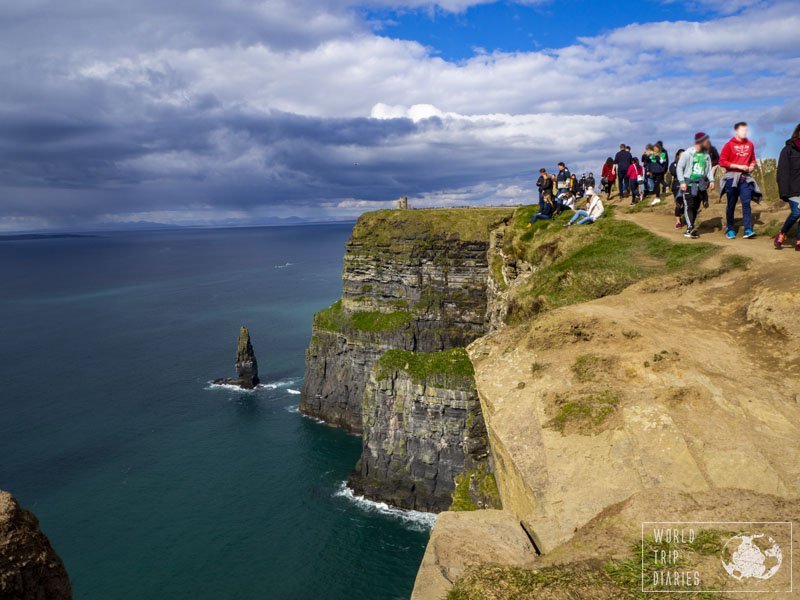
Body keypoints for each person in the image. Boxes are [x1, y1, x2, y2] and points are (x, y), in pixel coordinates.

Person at [719, 122, 758, 239]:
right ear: (736, 131)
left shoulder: (750, 144)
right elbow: (722, 161)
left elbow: (753, 159)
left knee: (746, 203)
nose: (745, 132)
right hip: (731, 178)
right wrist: (739, 166)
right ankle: (730, 228)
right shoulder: (729, 145)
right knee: (731, 204)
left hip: (745, 178)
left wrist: (751, 166)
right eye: (742, 130)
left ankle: (748, 229)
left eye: (746, 130)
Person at [677, 132, 715, 238]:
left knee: (696, 207)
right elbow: (679, 167)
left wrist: (711, 181)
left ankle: (691, 228)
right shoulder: (688, 153)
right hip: (688, 183)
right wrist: (682, 182)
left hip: (701, 184)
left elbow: (708, 169)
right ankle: (690, 228)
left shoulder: (706, 155)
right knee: (689, 205)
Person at [775, 123, 800, 250]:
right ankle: (782, 232)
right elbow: (782, 173)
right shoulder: (787, 150)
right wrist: (783, 192)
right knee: (796, 213)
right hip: (793, 190)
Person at [669, 149, 685, 229]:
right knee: (678, 203)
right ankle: (678, 222)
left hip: (686, 185)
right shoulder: (673, 164)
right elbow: (673, 172)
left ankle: (681, 213)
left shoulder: (688, 163)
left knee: (687, 204)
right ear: (678, 155)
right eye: (681, 155)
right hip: (676, 186)